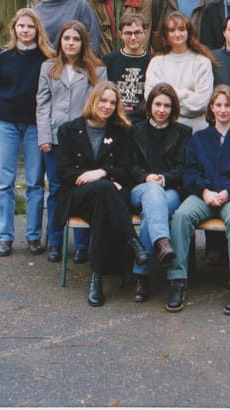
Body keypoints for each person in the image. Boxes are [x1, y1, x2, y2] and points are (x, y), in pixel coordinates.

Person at [55, 81, 151, 306]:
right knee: (105, 190)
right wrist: (103, 178)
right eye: (103, 101)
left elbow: (126, 171)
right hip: (78, 196)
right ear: (93, 100)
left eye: (112, 102)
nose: (107, 106)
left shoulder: (123, 132)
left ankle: (96, 279)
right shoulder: (68, 130)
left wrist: (102, 173)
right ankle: (133, 241)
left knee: (103, 201)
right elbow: (63, 173)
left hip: (107, 198)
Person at [166, 85, 230, 314]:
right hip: (204, 195)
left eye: (228, 105)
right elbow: (190, 172)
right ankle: (177, 281)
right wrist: (205, 191)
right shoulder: (199, 138)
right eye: (219, 105)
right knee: (181, 216)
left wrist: (227, 192)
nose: (223, 110)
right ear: (212, 108)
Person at [37, 20, 108, 263]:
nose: (70, 43)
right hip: (55, 138)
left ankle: (81, 245)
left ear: (83, 43)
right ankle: (55, 241)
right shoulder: (48, 67)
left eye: (76, 39)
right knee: (56, 189)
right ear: (60, 41)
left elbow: (97, 105)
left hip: (83, 139)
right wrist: (44, 135)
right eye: (66, 38)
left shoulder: (96, 69)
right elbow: (42, 103)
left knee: (82, 187)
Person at [0, 8, 55, 257]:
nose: (25, 30)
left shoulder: (47, 58)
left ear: (37, 29)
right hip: (6, 123)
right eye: (21, 26)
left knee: (35, 182)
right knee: (4, 182)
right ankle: (5, 237)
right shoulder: (2, 55)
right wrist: (4, 109)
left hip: (35, 125)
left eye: (30, 26)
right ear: (14, 28)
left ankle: (33, 236)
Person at [129, 83, 192, 303]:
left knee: (151, 214)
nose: (161, 110)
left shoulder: (183, 132)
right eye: (157, 104)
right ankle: (163, 242)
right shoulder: (134, 130)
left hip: (170, 190)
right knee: (153, 194)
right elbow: (130, 165)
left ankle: (141, 275)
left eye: (167, 105)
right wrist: (147, 178)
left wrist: (163, 179)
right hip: (140, 189)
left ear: (173, 108)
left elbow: (183, 168)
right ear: (149, 105)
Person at [144, 11, 214, 132]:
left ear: (188, 31)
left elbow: (201, 102)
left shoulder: (202, 62)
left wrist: (167, 102)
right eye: (172, 30)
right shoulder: (157, 62)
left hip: (194, 130)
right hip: (162, 130)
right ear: (165, 34)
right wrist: (186, 93)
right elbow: (151, 97)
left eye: (181, 29)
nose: (177, 34)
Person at [102, 14, 151, 123]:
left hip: (142, 121)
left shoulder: (152, 61)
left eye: (137, 33)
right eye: (128, 33)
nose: (133, 37)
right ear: (120, 34)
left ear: (145, 33)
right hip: (114, 118)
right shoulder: (109, 60)